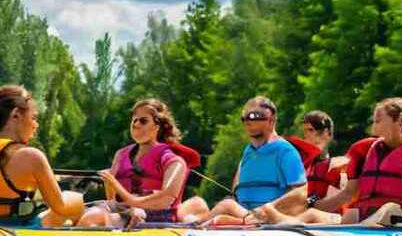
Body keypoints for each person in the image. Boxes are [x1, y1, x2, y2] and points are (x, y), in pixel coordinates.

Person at [0, 85, 85, 227]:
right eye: (33, 117)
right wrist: (79, 198)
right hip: (16, 233)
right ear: (15, 115)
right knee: (74, 215)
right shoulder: (31, 156)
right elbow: (61, 208)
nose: (36, 125)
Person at [313, 97, 402, 228]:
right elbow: (347, 194)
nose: (373, 128)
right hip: (368, 219)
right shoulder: (366, 155)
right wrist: (311, 205)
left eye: (378, 121)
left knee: (389, 210)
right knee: (350, 213)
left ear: (399, 123)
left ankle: (359, 230)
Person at [79, 99, 209, 228]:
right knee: (90, 215)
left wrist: (133, 203)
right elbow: (112, 198)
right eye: (134, 120)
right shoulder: (120, 155)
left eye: (143, 121)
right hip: (123, 211)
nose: (136, 124)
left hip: (153, 217)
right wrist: (115, 191)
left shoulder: (175, 162)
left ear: (157, 126)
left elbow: (165, 199)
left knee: (95, 218)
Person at [207, 96, 306, 225]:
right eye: (244, 117)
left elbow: (301, 193)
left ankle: (196, 227)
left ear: (271, 120)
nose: (248, 121)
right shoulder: (248, 151)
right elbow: (236, 190)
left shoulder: (285, 151)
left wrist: (266, 210)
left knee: (227, 205)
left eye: (254, 116)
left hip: (267, 218)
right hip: (245, 217)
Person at [256, 110, 345, 225]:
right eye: (305, 131)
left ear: (327, 133)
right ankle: (264, 214)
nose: (306, 135)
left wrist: (307, 202)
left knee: (311, 213)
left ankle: (272, 215)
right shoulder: (302, 165)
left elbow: (334, 204)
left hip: (331, 219)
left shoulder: (336, 166)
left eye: (311, 130)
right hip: (300, 215)